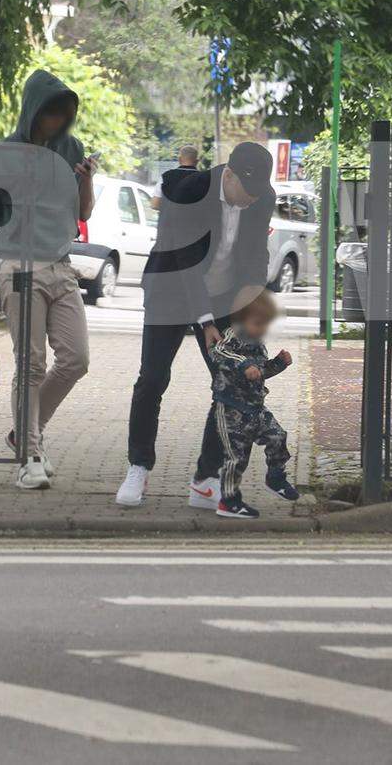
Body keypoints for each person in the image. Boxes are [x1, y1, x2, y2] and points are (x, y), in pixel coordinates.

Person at [114, 140, 275, 508]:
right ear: (228, 174)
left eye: (256, 195)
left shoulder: (261, 198)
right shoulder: (188, 192)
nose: (250, 200)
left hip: (222, 294)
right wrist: (205, 323)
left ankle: (206, 478)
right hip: (171, 288)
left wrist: (244, 310)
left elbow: (255, 257)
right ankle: (138, 466)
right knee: (153, 378)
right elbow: (185, 262)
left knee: (233, 383)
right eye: (245, 193)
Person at [0, 69, 97, 490]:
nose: (58, 122)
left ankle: (25, 432)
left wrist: (86, 178)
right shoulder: (4, 152)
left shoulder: (71, 148)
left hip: (60, 266)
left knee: (76, 359)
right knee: (30, 364)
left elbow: (84, 213)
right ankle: (29, 455)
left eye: (65, 114)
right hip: (17, 266)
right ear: (33, 111)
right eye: (51, 113)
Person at [207, 290, 299, 519]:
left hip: (256, 408)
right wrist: (244, 364)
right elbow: (218, 352)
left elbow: (259, 373)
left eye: (266, 325)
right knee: (236, 458)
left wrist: (278, 364)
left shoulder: (257, 342)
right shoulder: (231, 337)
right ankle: (229, 501)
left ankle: (275, 477)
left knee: (278, 436)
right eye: (258, 323)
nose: (262, 330)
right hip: (231, 408)